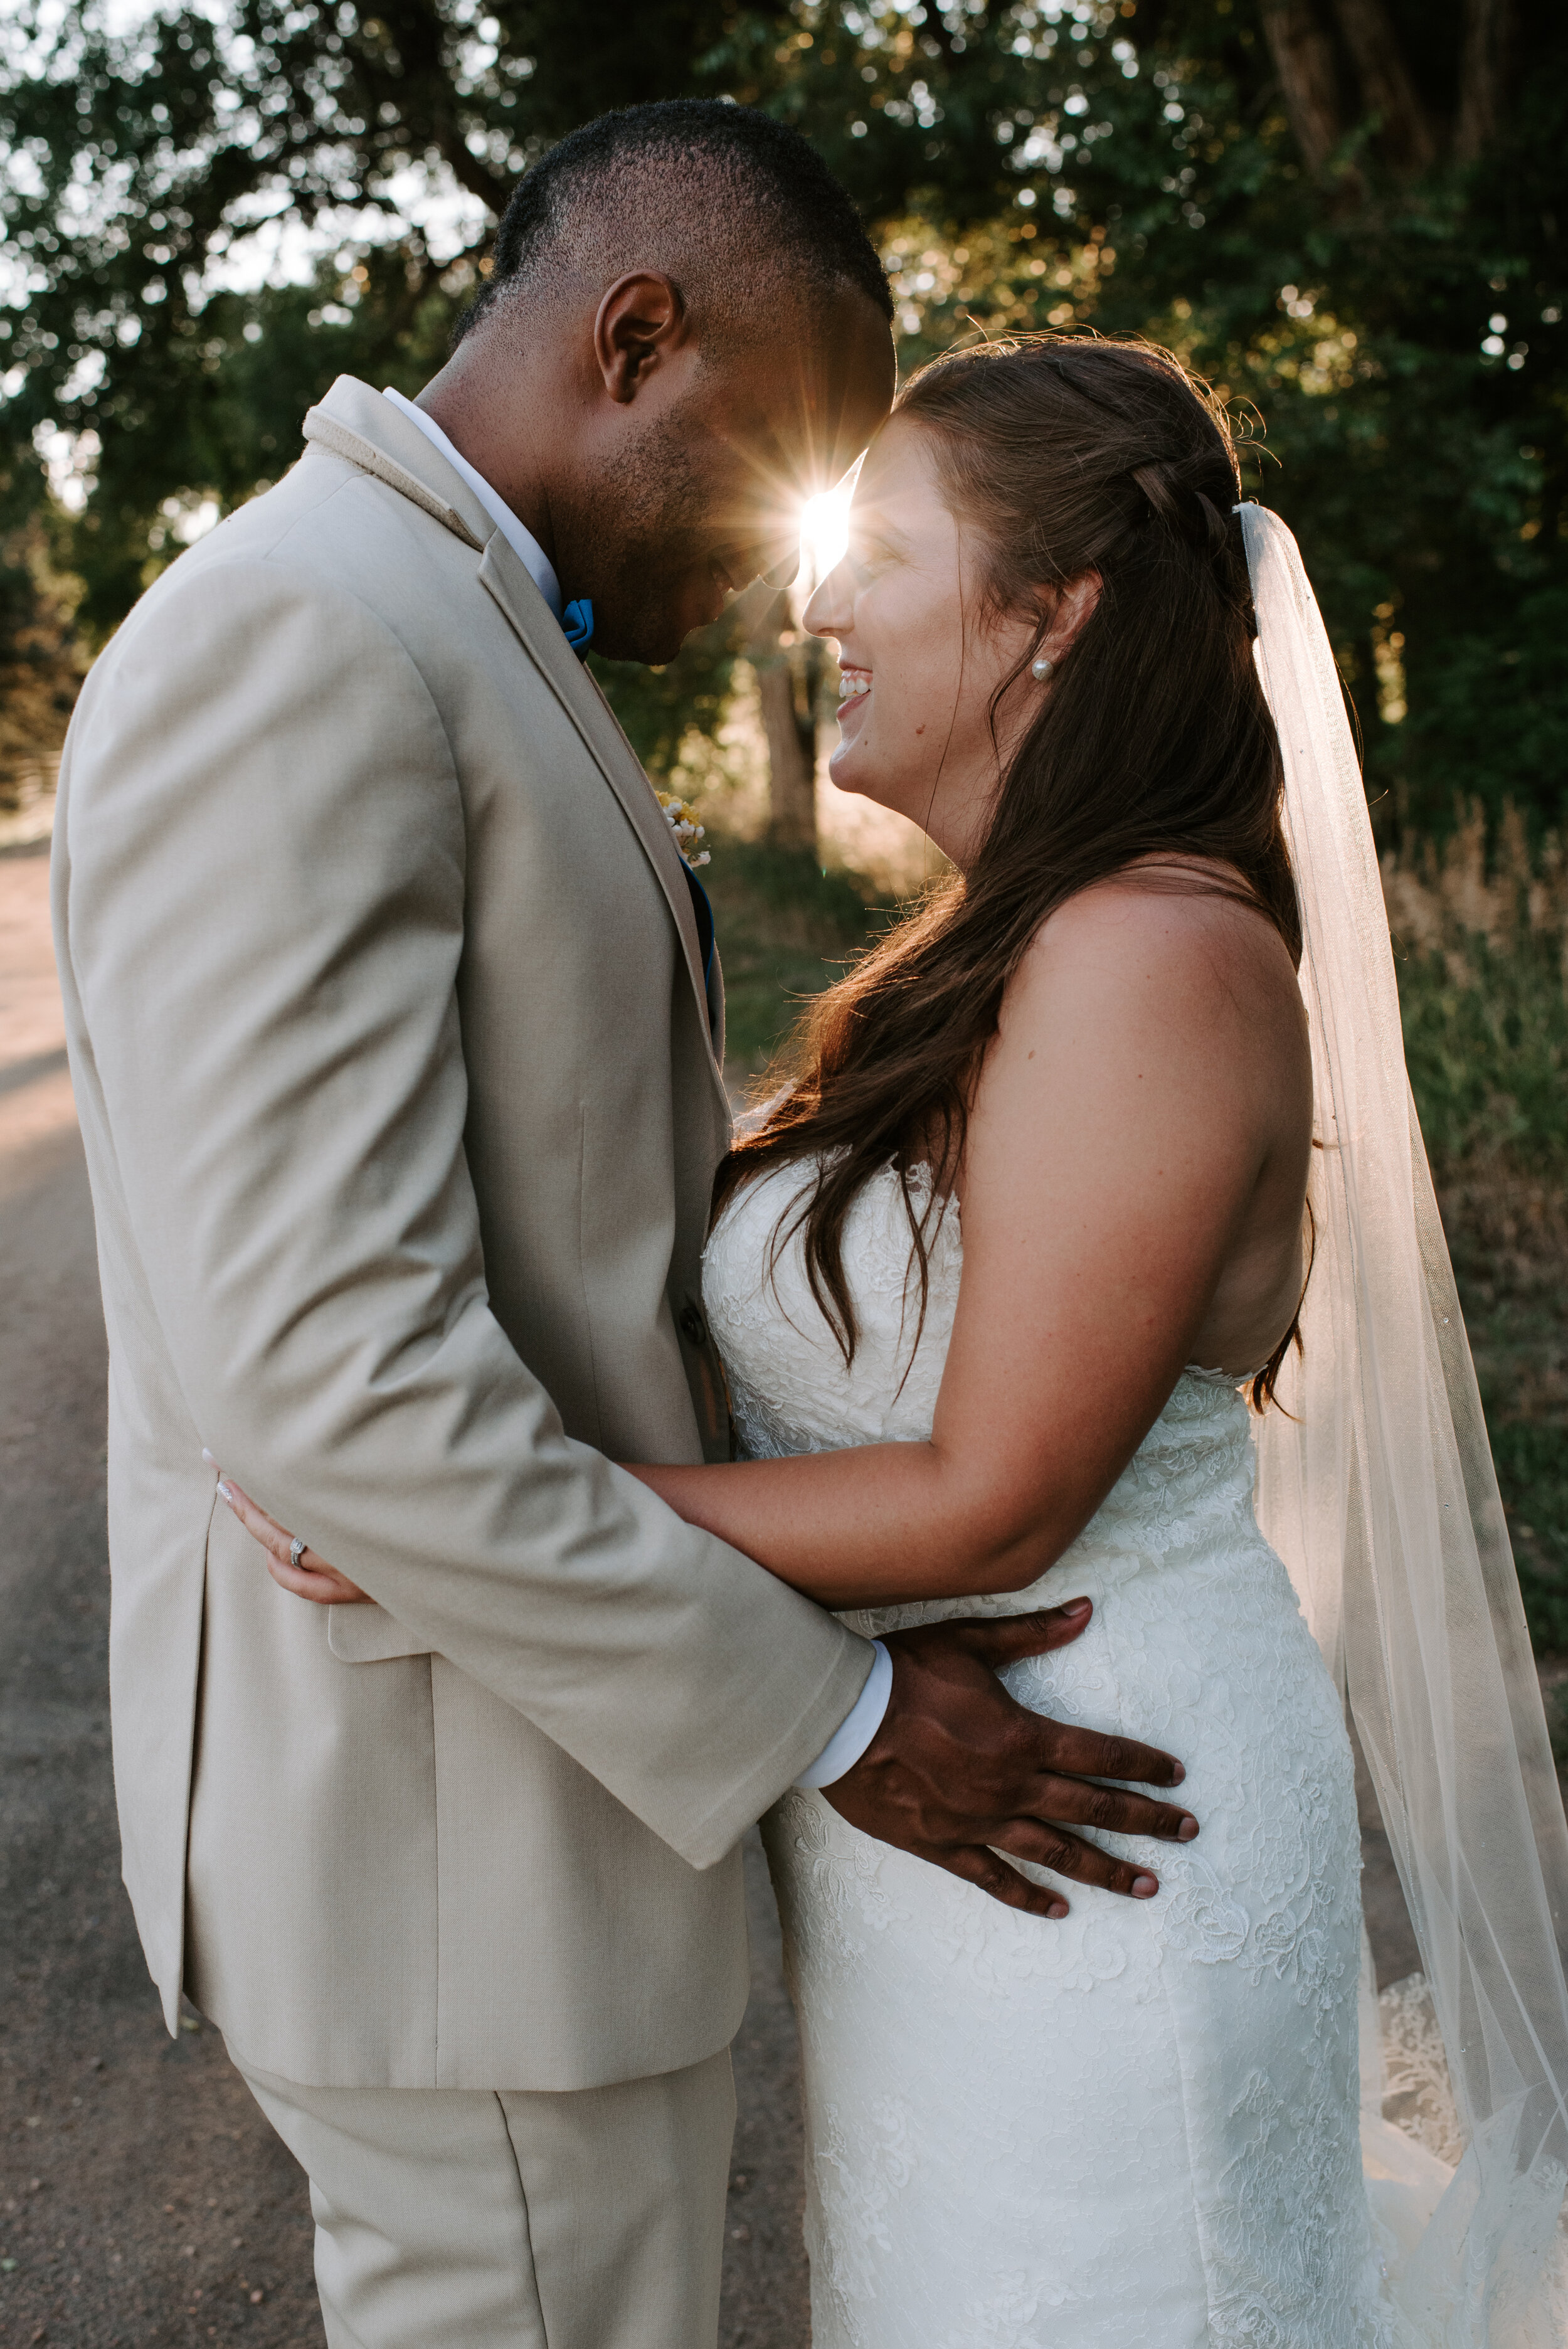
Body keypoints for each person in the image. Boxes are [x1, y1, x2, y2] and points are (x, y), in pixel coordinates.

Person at [235, 334, 1568, 2345]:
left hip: (1093, 1819)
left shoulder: (1149, 952)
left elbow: (997, 1489)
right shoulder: (996, 949)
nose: (821, 599)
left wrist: (479, 1517)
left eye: (883, 551)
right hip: (965, 1838)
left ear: (1054, 613)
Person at [53, 109, 1202, 2349]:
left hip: (519, 1835)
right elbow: (332, 1386)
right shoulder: (312, 633)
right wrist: (840, 1715)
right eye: (783, 449)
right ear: (639, 336)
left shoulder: (447, 621)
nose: (794, 572)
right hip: (451, 1857)